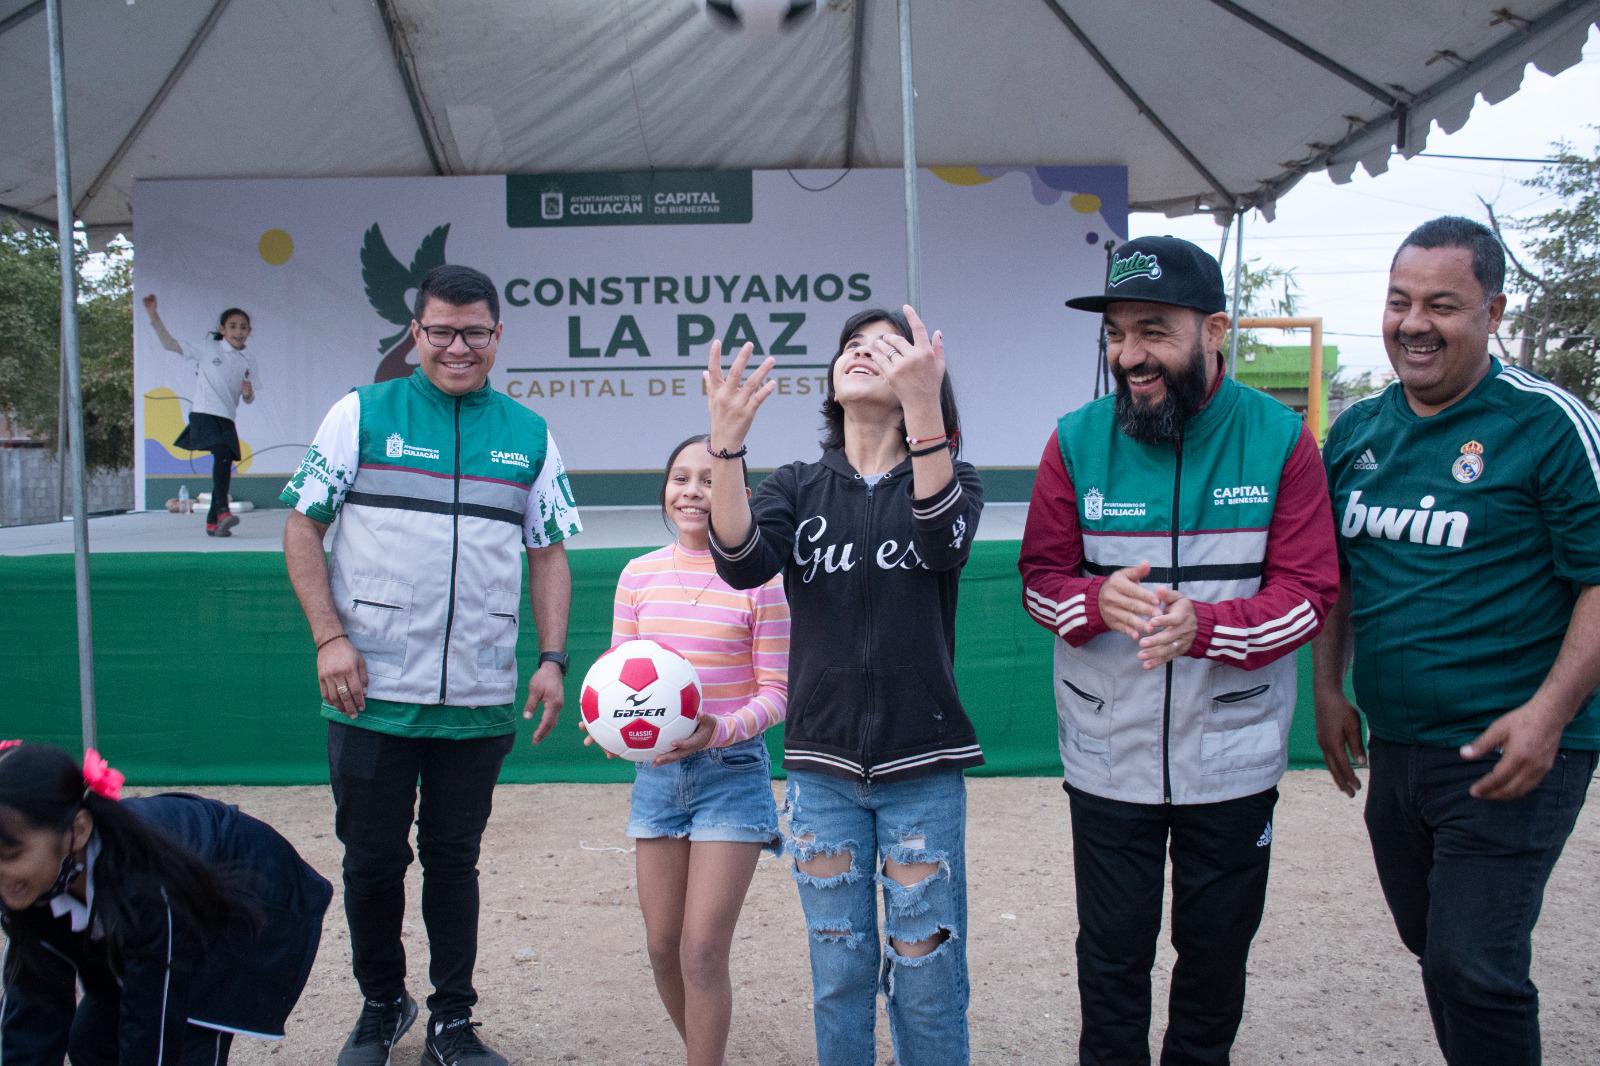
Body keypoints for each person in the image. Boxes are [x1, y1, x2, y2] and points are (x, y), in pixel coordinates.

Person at [1018, 235, 1339, 1065]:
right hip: (1107, 754)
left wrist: (1208, 627)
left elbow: (1309, 597)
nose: (1130, 355)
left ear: (1216, 330)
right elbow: (1037, 583)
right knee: (1111, 958)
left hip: (1232, 756)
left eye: (1153, 331)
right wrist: (1094, 600)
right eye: (1117, 333)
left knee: (1215, 959)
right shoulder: (1074, 439)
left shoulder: (1281, 441)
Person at [1313, 216, 1600, 1066]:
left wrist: (1548, 714)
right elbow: (1340, 574)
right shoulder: (1359, 432)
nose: (1413, 323)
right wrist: (1329, 690)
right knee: (1433, 942)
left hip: (1513, 746)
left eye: (1443, 304)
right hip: (1401, 746)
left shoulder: (1549, 424)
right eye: (1400, 301)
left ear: (1494, 311)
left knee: (1475, 963)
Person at [281, 263, 581, 1066]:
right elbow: (302, 530)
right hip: (369, 691)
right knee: (372, 860)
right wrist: (328, 638)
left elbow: (548, 555)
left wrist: (552, 659)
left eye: (474, 332)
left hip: (478, 697)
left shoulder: (528, 434)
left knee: (455, 861)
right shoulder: (360, 413)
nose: (457, 346)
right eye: (441, 331)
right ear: (415, 334)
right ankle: (384, 1005)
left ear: (497, 336)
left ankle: (453, 1019)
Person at [706, 305, 984, 1066]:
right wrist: (725, 445)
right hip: (821, 772)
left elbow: (941, 537)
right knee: (840, 973)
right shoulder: (797, 484)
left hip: (921, 768)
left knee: (927, 975)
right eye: (853, 346)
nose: (864, 354)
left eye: (888, 349)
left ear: (920, 378)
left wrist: (924, 407)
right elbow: (740, 563)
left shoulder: (952, 478)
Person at [599, 433, 789, 1066]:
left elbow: (778, 693)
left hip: (731, 773)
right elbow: (616, 673)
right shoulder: (638, 575)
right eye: (681, 478)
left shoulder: (763, 581)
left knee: (702, 948)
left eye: (710, 480)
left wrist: (719, 731)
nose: (693, 491)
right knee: (661, 945)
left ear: (736, 493)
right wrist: (609, 726)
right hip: (656, 776)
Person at [0, 741, 332, 1064]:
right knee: (93, 1041)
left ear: (79, 830)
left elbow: (153, 1021)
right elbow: (33, 1003)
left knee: (183, 1035)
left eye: (12, 855)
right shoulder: (28, 884)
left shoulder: (144, 884)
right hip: (156, 926)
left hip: (251, 904)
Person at [142, 294, 261, 537]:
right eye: (232, 326)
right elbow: (170, 344)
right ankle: (223, 510)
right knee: (221, 453)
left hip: (227, 416)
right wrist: (154, 316)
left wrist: (248, 394)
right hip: (205, 413)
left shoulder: (248, 359)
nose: (238, 331)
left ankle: (213, 521)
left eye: (243, 327)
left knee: (225, 462)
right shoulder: (208, 347)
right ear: (222, 329)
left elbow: (248, 398)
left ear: (250, 331)